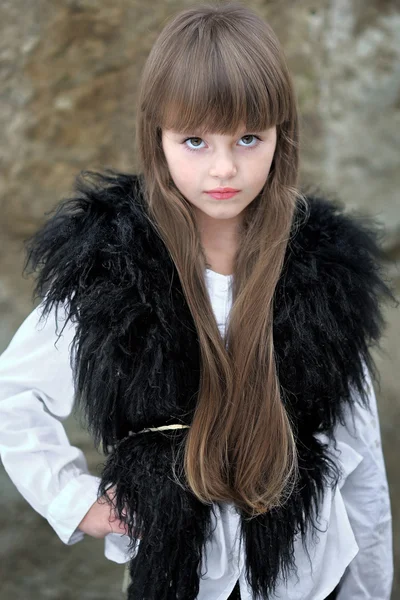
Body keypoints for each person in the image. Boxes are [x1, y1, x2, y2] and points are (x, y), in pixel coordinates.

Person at [0, 2, 396, 599]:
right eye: (194, 140)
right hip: (180, 577)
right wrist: (73, 501)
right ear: (156, 139)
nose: (224, 168)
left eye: (247, 138)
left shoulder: (324, 278)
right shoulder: (112, 270)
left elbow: (357, 453)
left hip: (311, 576)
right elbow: (13, 394)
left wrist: (368, 587)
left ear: (279, 137)